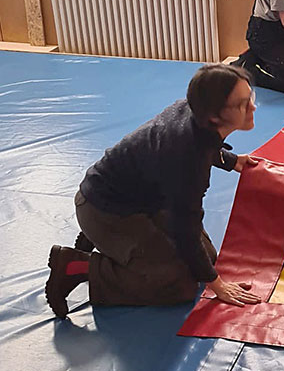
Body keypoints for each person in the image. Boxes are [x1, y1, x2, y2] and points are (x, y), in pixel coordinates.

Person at [45, 64, 261, 318]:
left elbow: (204, 142)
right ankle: (77, 266)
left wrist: (232, 160)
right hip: (105, 210)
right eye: (242, 104)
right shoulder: (187, 162)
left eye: (251, 98)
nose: (253, 108)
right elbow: (185, 229)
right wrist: (217, 285)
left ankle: (107, 242)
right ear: (215, 116)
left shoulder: (195, 109)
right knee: (179, 285)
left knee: (207, 258)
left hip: (135, 197)